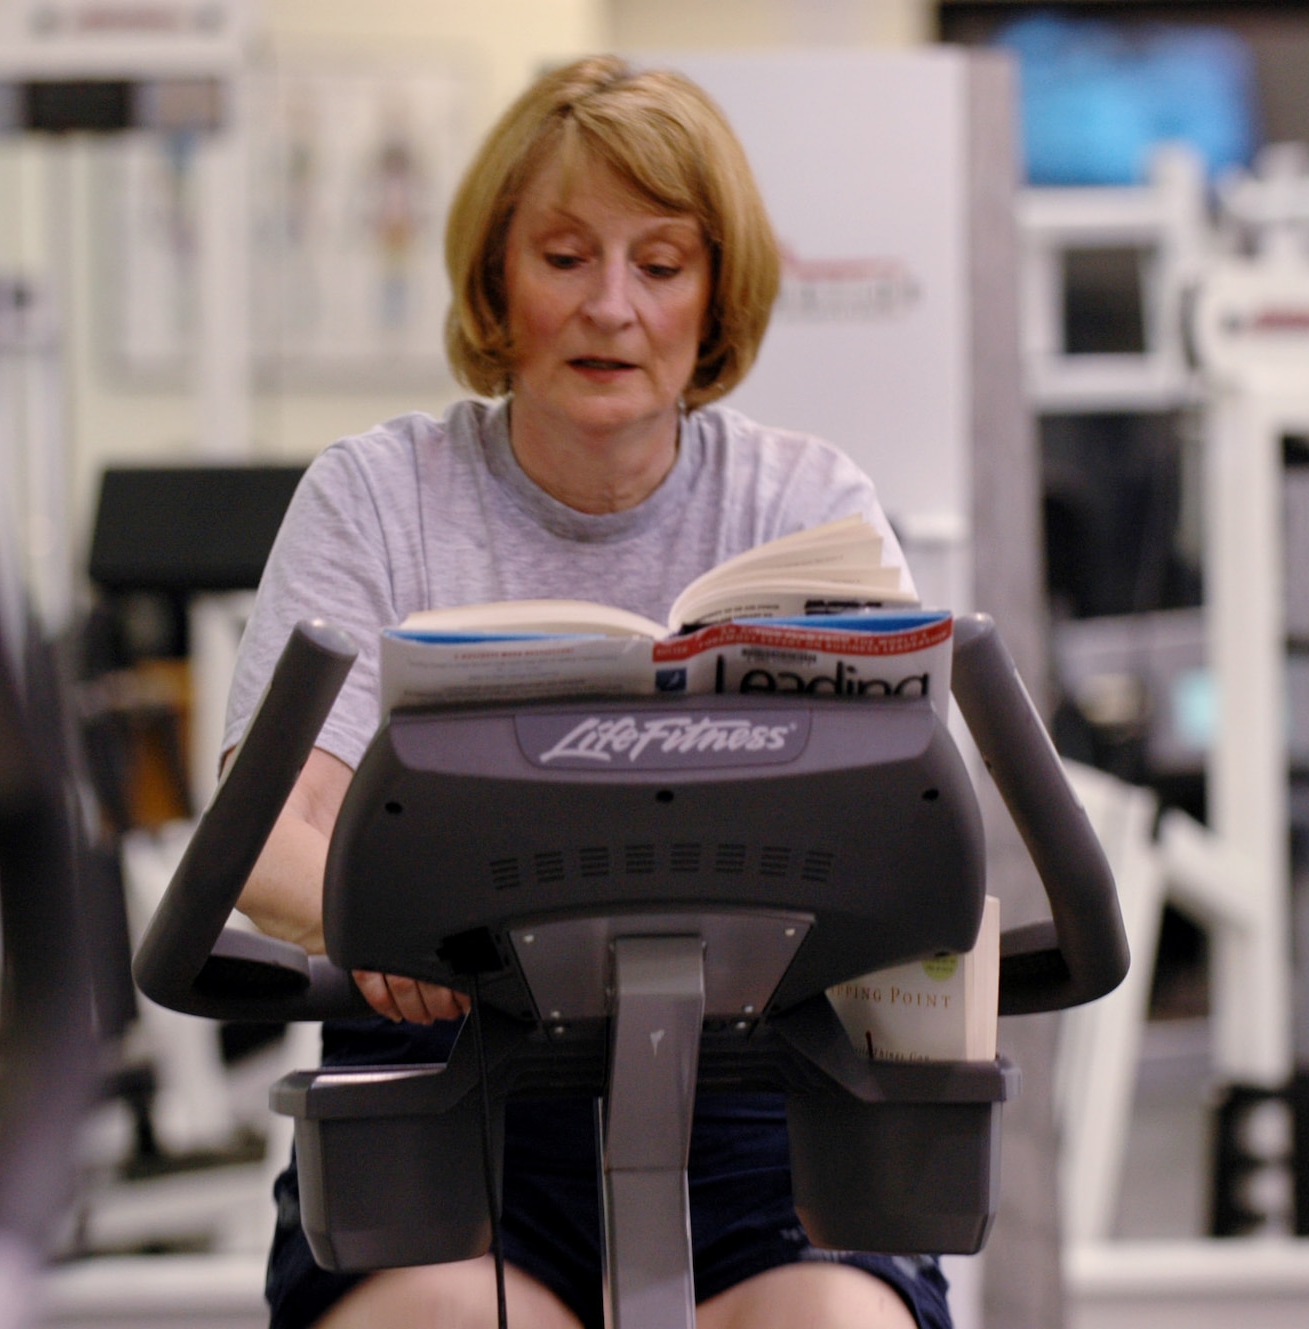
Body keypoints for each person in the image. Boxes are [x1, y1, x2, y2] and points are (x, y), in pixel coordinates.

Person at [225, 56, 946, 1329]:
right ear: (497, 284)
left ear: (713, 296)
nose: (611, 306)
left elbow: (913, 828)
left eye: (659, 267)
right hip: (448, 1096)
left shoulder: (803, 506)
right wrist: (384, 933)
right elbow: (263, 839)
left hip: (756, 1104)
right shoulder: (377, 499)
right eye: (563, 258)